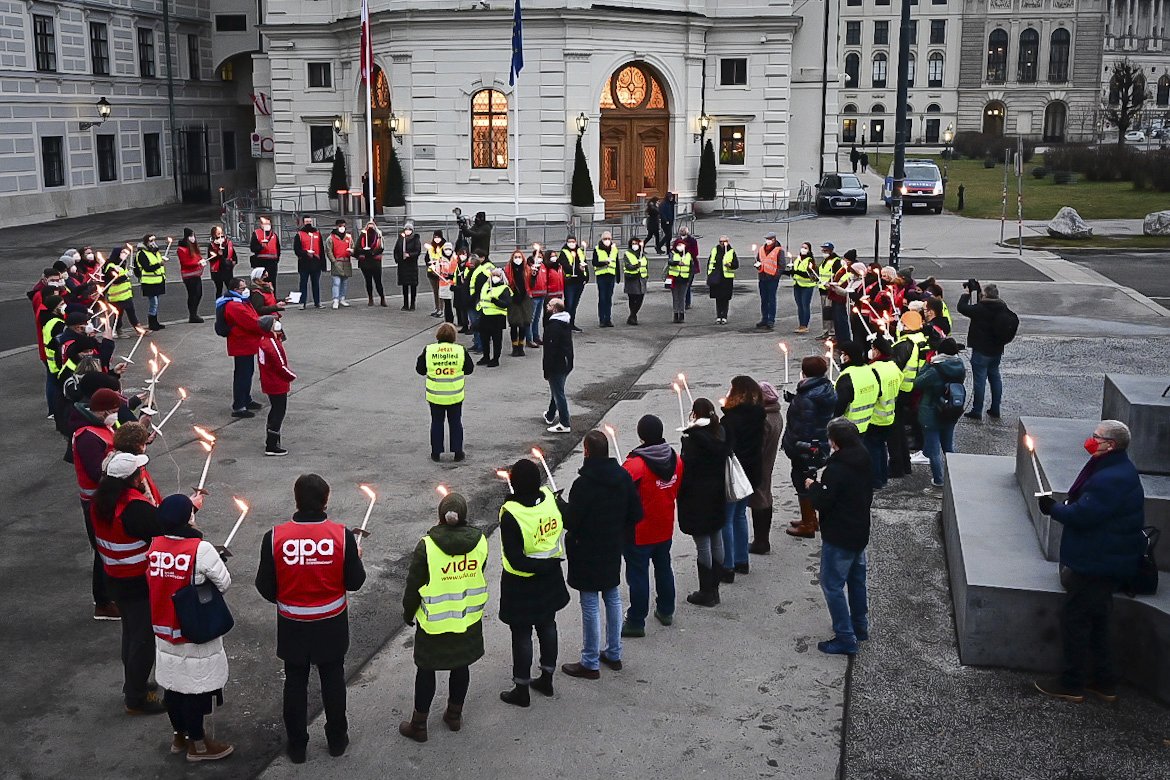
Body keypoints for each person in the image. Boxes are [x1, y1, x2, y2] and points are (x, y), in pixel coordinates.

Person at [255, 474, 366, 764]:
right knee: (332, 680)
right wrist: (356, 557)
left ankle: (297, 746)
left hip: (292, 624)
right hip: (331, 622)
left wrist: (288, 600)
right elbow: (355, 582)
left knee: (294, 683)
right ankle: (337, 740)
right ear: (325, 500)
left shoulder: (275, 536)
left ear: (296, 499)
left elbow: (264, 586)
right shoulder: (341, 536)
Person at [1033, 421, 1146, 703]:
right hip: (1106, 558)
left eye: (1096, 437)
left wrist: (1053, 509)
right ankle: (1104, 682)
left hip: (1097, 562)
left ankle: (1071, 683)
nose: (1090, 441)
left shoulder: (1111, 478)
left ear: (1111, 444)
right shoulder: (1115, 469)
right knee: (1098, 619)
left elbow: (1085, 515)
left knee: (1076, 620)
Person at [146, 494, 234, 762]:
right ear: (189, 518)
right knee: (196, 686)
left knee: (173, 684)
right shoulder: (201, 549)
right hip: (193, 627)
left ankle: (179, 735)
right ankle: (199, 743)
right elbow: (224, 583)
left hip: (163, 626)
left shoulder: (155, 545)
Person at [398, 492, 488, 742]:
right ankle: (454, 716)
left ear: (440, 517)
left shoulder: (426, 545)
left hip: (434, 624)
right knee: (461, 665)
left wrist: (408, 612)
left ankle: (419, 725)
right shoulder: (480, 541)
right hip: (466, 619)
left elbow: (414, 584)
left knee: (426, 671)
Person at [562, 431, 642, 680]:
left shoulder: (583, 484)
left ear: (586, 452)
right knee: (612, 596)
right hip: (611, 546)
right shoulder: (622, 477)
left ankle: (590, 661)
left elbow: (572, 521)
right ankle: (614, 652)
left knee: (590, 603)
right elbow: (636, 513)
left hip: (586, 549)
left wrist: (559, 505)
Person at [92, 450, 165, 714]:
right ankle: (136, 697)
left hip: (115, 579)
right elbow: (161, 529)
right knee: (143, 640)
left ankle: (135, 683)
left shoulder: (102, 501)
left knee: (130, 634)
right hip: (139, 582)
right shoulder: (134, 508)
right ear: (132, 478)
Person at [497, 458, 570, 707]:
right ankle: (547, 678)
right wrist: (549, 564)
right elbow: (568, 518)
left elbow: (515, 559)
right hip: (550, 579)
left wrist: (540, 566)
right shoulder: (550, 498)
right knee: (548, 626)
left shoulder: (511, 514)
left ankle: (522, 688)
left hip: (522, 584)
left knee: (522, 634)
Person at [805, 418, 873, 655]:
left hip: (839, 534)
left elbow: (824, 502)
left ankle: (845, 636)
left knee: (832, 584)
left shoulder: (837, 469)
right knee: (856, 579)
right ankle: (859, 625)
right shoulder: (864, 457)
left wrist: (813, 487)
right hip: (859, 530)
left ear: (835, 442)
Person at [621, 414, 683, 636]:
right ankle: (666, 610)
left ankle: (636, 621)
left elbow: (621, 495)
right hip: (664, 525)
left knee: (638, 576)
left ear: (640, 436)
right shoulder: (676, 459)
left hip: (638, 531)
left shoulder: (634, 465)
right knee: (664, 567)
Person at [71, 387, 124, 620]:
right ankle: (103, 602)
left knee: (106, 549)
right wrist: (122, 463)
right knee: (103, 550)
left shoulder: (103, 428)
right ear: (102, 411)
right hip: (96, 502)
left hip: (105, 499)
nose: (116, 415)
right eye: (113, 410)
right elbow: (97, 473)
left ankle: (108, 597)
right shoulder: (88, 437)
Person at [677, 398, 730, 607]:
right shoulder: (720, 433)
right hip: (716, 493)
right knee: (717, 539)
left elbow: (687, 470)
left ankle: (706, 591)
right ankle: (715, 588)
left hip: (697, 497)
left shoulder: (692, 441)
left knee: (703, 545)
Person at [783, 357, 838, 538]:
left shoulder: (807, 397)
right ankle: (810, 518)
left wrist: (798, 446)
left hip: (806, 448)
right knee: (806, 478)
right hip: (819, 442)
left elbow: (804, 427)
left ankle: (808, 523)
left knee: (802, 481)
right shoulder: (824, 389)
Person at [719, 376, 765, 578]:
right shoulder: (759, 413)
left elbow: (725, 447)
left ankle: (727, 563)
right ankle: (741, 560)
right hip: (752, 470)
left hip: (734, 473)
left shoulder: (730, 420)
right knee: (740, 515)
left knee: (727, 519)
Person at [957, 280, 1017, 421]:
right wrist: (978, 291)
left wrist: (966, 293)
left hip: (981, 351)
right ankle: (995, 408)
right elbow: (983, 304)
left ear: (985, 296)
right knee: (995, 377)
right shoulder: (1002, 307)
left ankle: (977, 410)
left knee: (980, 381)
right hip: (996, 350)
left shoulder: (980, 310)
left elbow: (962, 307)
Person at [415, 322, 474, 462]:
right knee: (455, 423)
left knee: (436, 423)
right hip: (455, 395)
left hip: (435, 395)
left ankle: (436, 453)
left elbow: (420, 369)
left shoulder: (429, 350)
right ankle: (458, 452)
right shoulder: (460, 350)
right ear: (454, 336)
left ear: (438, 335)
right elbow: (469, 369)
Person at [914, 337, 966, 489]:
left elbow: (917, 382)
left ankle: (939, 481)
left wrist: (926, 364)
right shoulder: (959, 365)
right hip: (951, 410)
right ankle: (955, 476)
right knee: (949, 447)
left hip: (931, 412)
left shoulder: (935, 370)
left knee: (934, 450)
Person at [888, 310, 928, 478]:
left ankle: (897, 465)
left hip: (900, 390)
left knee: (894, 430)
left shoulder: (905, 344)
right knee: (899, 428)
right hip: (911, 389)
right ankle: (904, 464)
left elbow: (893, 368)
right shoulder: (921, 340)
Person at [217, 276, 265, 418]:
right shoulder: (234, 305)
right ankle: (239, 405)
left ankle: (246, 399)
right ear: (235, 289)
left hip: (245, 343)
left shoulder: (239, 301)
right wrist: (265, 326)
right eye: (243, 288)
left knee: (246, 373)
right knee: (242, 375)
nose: (246, 290)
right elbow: (250, 322)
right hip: (241, 343)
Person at [749, 382, 784, 554]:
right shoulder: (776, 414)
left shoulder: (764, 420)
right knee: (765, 494)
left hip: (760, 463)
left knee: (760, 498)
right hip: (767, 460)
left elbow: (757, 446)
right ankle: (762, 539)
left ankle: (761, 540)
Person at [867, 342, 904, 490]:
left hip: (875, 417)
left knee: (874, 449)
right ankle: (882, 477)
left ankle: (876, 480)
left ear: (877, 351)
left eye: (873, 348)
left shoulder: (874, 369)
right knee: (882, 448)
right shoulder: (893, 366)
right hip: (890, 415)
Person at [258, 316, 296, 456]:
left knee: (275, 410)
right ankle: (272, 444)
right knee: (279, 411)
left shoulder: (265, 340)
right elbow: (280, 365)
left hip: (269, 381)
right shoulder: (271, 343)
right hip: (276, 382)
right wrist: (291, 376)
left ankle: (272, 440)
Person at [542, 298, 573, 433]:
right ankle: (550, 415)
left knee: (558, 392)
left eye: (549, 305)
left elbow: (550, 350)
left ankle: (564, 422)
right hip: (565, 362)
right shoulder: (564, 323)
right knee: (557, 389)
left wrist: (546, 369)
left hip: (557, 364)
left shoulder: (553, 327)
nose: (546, 307)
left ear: (554, 309)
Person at [475, 268, 511, 368]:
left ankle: (495, 359)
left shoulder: (504, 288)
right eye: (493, 275)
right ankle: (485, 356)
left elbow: (506, 303)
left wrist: (495, 301)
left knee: (496, 340)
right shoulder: (486, 286)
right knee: (484, 338)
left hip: (497, 318)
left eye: (498, 276)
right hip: (485, 315)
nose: (495, 277)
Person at [103, 247, 141, 334]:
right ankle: (118, 330)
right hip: (117, 295)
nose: (124, 254)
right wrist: (126, 275)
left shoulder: (122, 264)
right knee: (119, 314)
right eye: (122, 252)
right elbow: (114, 280)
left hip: (125, 294)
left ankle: (136, 328)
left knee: (129, 312)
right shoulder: (111, 266)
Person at [135, 234, 167, 331]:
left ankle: (155, 322)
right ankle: (152, 323)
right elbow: (147, 268)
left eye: (154, 240)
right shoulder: (142, 253)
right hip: (149, 282)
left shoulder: (155, 252)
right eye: (151, 241)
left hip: (157, 281)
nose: (153, 243)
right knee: (154, 303)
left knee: (156, 302)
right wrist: (159, 264)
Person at [504, 249, 533, 357]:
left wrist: (534, 275)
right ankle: (514, 347)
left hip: (524, 299)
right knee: (514, 324)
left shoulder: (527, 269)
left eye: (519, 257)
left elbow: (531, 284)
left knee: (523, 324)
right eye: (515, 257)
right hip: (513, 299)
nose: (517, 259)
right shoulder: (508, 270)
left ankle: (521, 346)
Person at [292, 215, 324, 309]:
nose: (308, 223)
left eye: (310, 221)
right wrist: (306, 253)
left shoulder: (317, 233)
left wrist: (323, 264)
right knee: (303, 284)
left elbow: (321, 249)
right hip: (304, 263)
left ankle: (317, 302)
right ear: (303, 222)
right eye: (306, 221)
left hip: (316, 263)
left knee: (316, 284)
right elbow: (296, 250)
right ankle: (302, 303)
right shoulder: (299, 234)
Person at [559, 235, 588, 332]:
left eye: (573, 241)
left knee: (575, 304)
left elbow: (584, 263)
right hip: (570, 281)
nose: (572, 243)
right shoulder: (564, 252)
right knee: (569, 304)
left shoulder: (580, 251)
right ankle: (566, 324)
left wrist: (586, 277)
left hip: (580, 281)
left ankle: (572, 323)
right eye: (570, 241)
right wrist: (577, 270)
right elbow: (565, 266)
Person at [707, 235, 738, 325]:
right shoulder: (714, 250)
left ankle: (724, 315)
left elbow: (736, 264)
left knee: (725, 298)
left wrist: (730, 265)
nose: (722, 243)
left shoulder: (731, 251)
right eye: (721, 241)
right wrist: (709, 275)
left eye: (724, 241)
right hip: (717, 277)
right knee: (718, 298)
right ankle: (718, 315)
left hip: (727, 278)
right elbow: (710, 263)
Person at [755, 232, 783, 330]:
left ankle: (771, 319)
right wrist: (758, 266)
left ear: (774, 239)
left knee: (771, 299)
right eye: (766, 239)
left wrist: (776, 276)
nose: (767, 241)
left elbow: (781, 265)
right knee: (764, 300)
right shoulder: (762, 249)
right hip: (762, 277)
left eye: (769, 239)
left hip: (772, 279)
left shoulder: (778, 250)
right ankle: (764, 318)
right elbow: (759, 260)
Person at [177, 228, 206, 324]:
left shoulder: (193, 247)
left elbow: (198, 256)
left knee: (198, 294)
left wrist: (201, 261)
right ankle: (192, 315)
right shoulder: (182, 249)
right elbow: (185, 263)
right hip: (189, 276)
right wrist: (198, 263)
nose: (193, 238)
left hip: (196, 274)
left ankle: (194, 313)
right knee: (193, 295)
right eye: (191, 236)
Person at [592, 231, 620, 328]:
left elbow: (617, 263)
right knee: (602, 298)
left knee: (609, 298)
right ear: (602, 239)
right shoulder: (597, 249)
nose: (607, 241)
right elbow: (594, 262)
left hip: (611, 276)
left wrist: (618, 277)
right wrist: (604, 263)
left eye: (608, 239)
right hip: (601, 276)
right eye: (605, 239)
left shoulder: (614, 249)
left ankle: (608, 319)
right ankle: (602, 319)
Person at [355, 220, 386, 307]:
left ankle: (382, 298)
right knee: (368, 281)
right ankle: (370, 298)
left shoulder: (378, 236)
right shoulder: (362, 236)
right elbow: (357, 248)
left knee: (378, 281)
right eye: (369, 226)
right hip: (365, 262)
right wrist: (364, 251)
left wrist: (372, 252)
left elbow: (381, 248)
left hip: (375, 262)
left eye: (372, 226)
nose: (370, 227)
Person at [325, 219, 355, 309]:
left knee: (344, 282)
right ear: (336, 226)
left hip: (346, 262)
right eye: (340, 226)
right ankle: (335, 300)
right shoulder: (331, 238)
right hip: (337, 262)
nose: (342, 228)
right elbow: (329, 251)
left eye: (343, 226)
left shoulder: (349, 238)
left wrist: (352, 252)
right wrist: (333, 261)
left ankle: (342, 298)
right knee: (336, 282)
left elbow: (353, 248)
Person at [789, 242, 818, 333]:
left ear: (809, 250)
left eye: (805, 248)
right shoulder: (798, 259)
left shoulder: (810, 260)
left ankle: (804, 325)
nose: (803, 249)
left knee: (805, 305)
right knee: (800, 306)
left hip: (807, 286)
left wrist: (797, 273)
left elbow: (809, 274)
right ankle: (801, 324)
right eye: (802, 247)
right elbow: (795, 270)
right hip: (797, 284)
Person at [395, 222, 423, 311]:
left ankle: (412, 303)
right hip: (402, 265)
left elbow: (417, 251)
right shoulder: (401, 239)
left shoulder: (415, 239)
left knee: (413, 285)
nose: (407, 231)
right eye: (406, 229)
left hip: (411, 265)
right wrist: (398, 259)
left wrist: (409, 255)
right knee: (405, 285)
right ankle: (405, 304)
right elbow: (396, 250)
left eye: (409, 229)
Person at [249, 216, 281, 292]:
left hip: (272, 262)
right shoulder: (256, 233)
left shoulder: (274, 235)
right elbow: (252, 248)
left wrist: (277, 259)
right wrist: (260, 247)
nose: (267, 225)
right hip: (261, 262)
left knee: (272, 282)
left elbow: (278, 248)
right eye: (265, 223)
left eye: (268, 223)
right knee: (261, 281)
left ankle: (272, 298)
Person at [208, 226, 239, 301]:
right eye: (218, 233)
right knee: (219, 289)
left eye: (221, 233)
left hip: (227, 269)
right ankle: (219, 304)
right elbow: (210, 258)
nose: (221, 235)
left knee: (230, 287)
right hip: (217, 271)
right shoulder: (212, 245)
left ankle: (231, 303)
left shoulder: (228, 243)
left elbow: (233, 254)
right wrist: (218, 254)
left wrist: (234, 261)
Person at [622, 237, 648, 326]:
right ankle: (633, 316)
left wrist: (646, 276)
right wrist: (636, 266)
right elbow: (627, 265)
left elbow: (646, 266)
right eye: (633, 244)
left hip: (641, 279)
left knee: (640, 297)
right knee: (632, 298)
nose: (635, 246)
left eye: (636, 244)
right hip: (632, 278)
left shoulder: (642, 255)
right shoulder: (627, 254)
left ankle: (633, 315)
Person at [666, 238, 693, 324]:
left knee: (682, 297)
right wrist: (677, 262)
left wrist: (689, 279)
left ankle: (681, 314)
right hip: (675, 278)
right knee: (675, 297)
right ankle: (675, 314)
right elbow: (670, 261)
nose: (680, 247)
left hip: (684, 279)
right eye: (678, 245)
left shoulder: (688, 255)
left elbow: (691, 268)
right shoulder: (672, 253)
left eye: (681, 245)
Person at [526, 247, 547, 346]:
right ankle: (529, 339)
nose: (539, 258)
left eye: (541, 257)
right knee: (531, 318)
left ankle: (536, 336)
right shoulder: (530, 267)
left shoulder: (543, 266)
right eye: (537, 257)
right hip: (533, 296)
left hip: (542, 295)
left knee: (537, 318)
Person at [424, 231, 446, 317]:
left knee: (441, 292)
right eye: (435, 236)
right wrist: (430, 264)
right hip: (431, 272)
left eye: (438, 237)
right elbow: (426, 258)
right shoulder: (431, 246)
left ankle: (441, 309)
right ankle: (437, 308)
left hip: (441, 272)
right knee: (435, 291)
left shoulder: (444, 246)